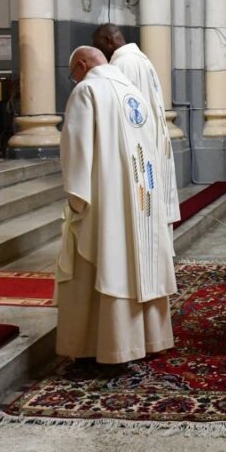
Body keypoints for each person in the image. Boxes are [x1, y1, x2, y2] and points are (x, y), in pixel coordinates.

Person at [56, 46, 176, 364]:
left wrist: (77, 199)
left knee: (107, 261)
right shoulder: (133, 92)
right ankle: (150, 338)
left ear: (81, 65)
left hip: (107, 201)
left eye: (73, 74)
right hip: (143, 197)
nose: (74, 80)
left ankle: (109, 347)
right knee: (140, 264)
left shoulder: (87, 91)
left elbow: (77, 148)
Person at [92, 23, 180, 225]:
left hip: (137, 145)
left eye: (98, 46)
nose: (99, 53)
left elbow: (118, 110)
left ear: (109, 41)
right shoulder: (142, 59)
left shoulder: (122, 64)